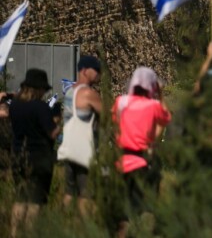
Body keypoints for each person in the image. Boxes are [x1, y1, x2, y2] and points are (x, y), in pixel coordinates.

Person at [113, 67, 171, 238]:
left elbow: (115, 125)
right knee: (145, 210)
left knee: (122, 215)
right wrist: (160, 95)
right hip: (142, 163)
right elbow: (167, 117)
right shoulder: (153, 105)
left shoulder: (121, 102)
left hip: (121, 162)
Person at [9, 69, 60, 237]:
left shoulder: (15, 105)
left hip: (18, 156)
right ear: (39, 88)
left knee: (20, 198)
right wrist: (58, 120)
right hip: (39, 159)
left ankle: (15, 233)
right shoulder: (40, 107)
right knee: (35, 201)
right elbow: (52, 132)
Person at [57, 55, 102, 217]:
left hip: (69, 148)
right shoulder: (89, 93)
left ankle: (64, 224)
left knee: (69, 192)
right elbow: (108, 117)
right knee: (87, 194)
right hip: (85, 151)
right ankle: (86, 229)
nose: (99, 73)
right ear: (84, 70)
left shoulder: (69, 92)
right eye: (96, 70)